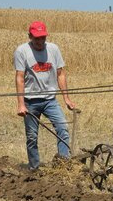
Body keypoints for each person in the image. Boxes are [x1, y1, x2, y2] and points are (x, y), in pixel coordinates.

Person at [14, 21, 76, 170]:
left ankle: (63, 164)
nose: (40, 42)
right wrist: (21, 104)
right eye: (37, 38)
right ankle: (34, 168)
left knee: (62, 128)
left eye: (43, 38)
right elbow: (20, 78)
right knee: (32, 137)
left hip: (50, 100)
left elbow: (60, 74)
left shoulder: (54, 49)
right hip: (30, 101)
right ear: (30, 36)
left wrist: (66, 98)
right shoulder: (22, 51)